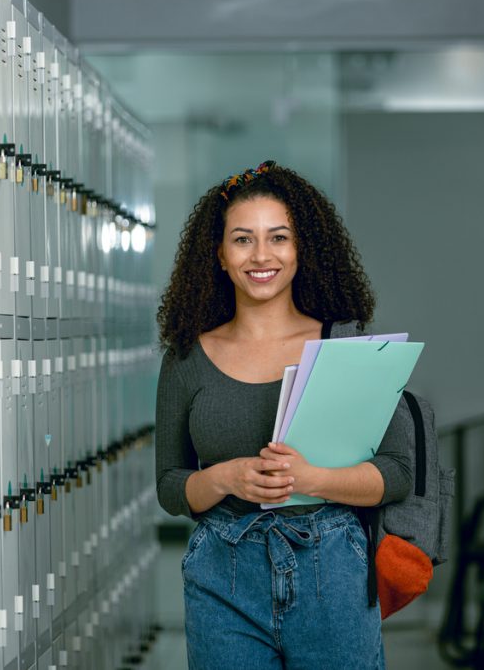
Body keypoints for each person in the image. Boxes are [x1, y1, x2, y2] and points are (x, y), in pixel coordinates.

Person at [155, 160, 412, 669]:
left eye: (279, 237)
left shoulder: (345, 345)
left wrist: (312, 478)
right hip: (221, 576)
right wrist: (228, 477)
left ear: (301, 250)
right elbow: (169, 485)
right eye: (243, 239)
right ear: (220, 255)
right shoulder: (186, 358)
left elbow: (399, 473)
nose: (261, 256)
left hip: (332, 571)